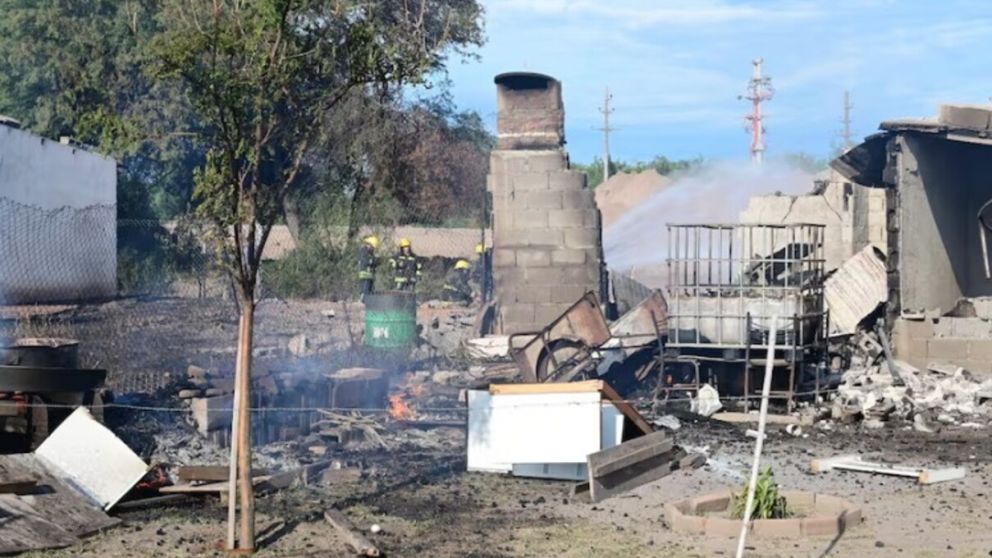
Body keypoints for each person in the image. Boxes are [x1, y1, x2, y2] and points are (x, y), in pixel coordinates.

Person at [357, 235, 379, 300]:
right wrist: (373, 260)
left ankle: (368, 303)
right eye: (372, 247)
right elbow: (366, 261)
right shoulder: (363, 251)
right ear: (369, 244)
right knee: (365, 291)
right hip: (365, 275)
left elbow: (373, 262)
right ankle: (361, 302)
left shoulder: (371, 253)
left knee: (370, 292)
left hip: (370, 276)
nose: (373, 249)